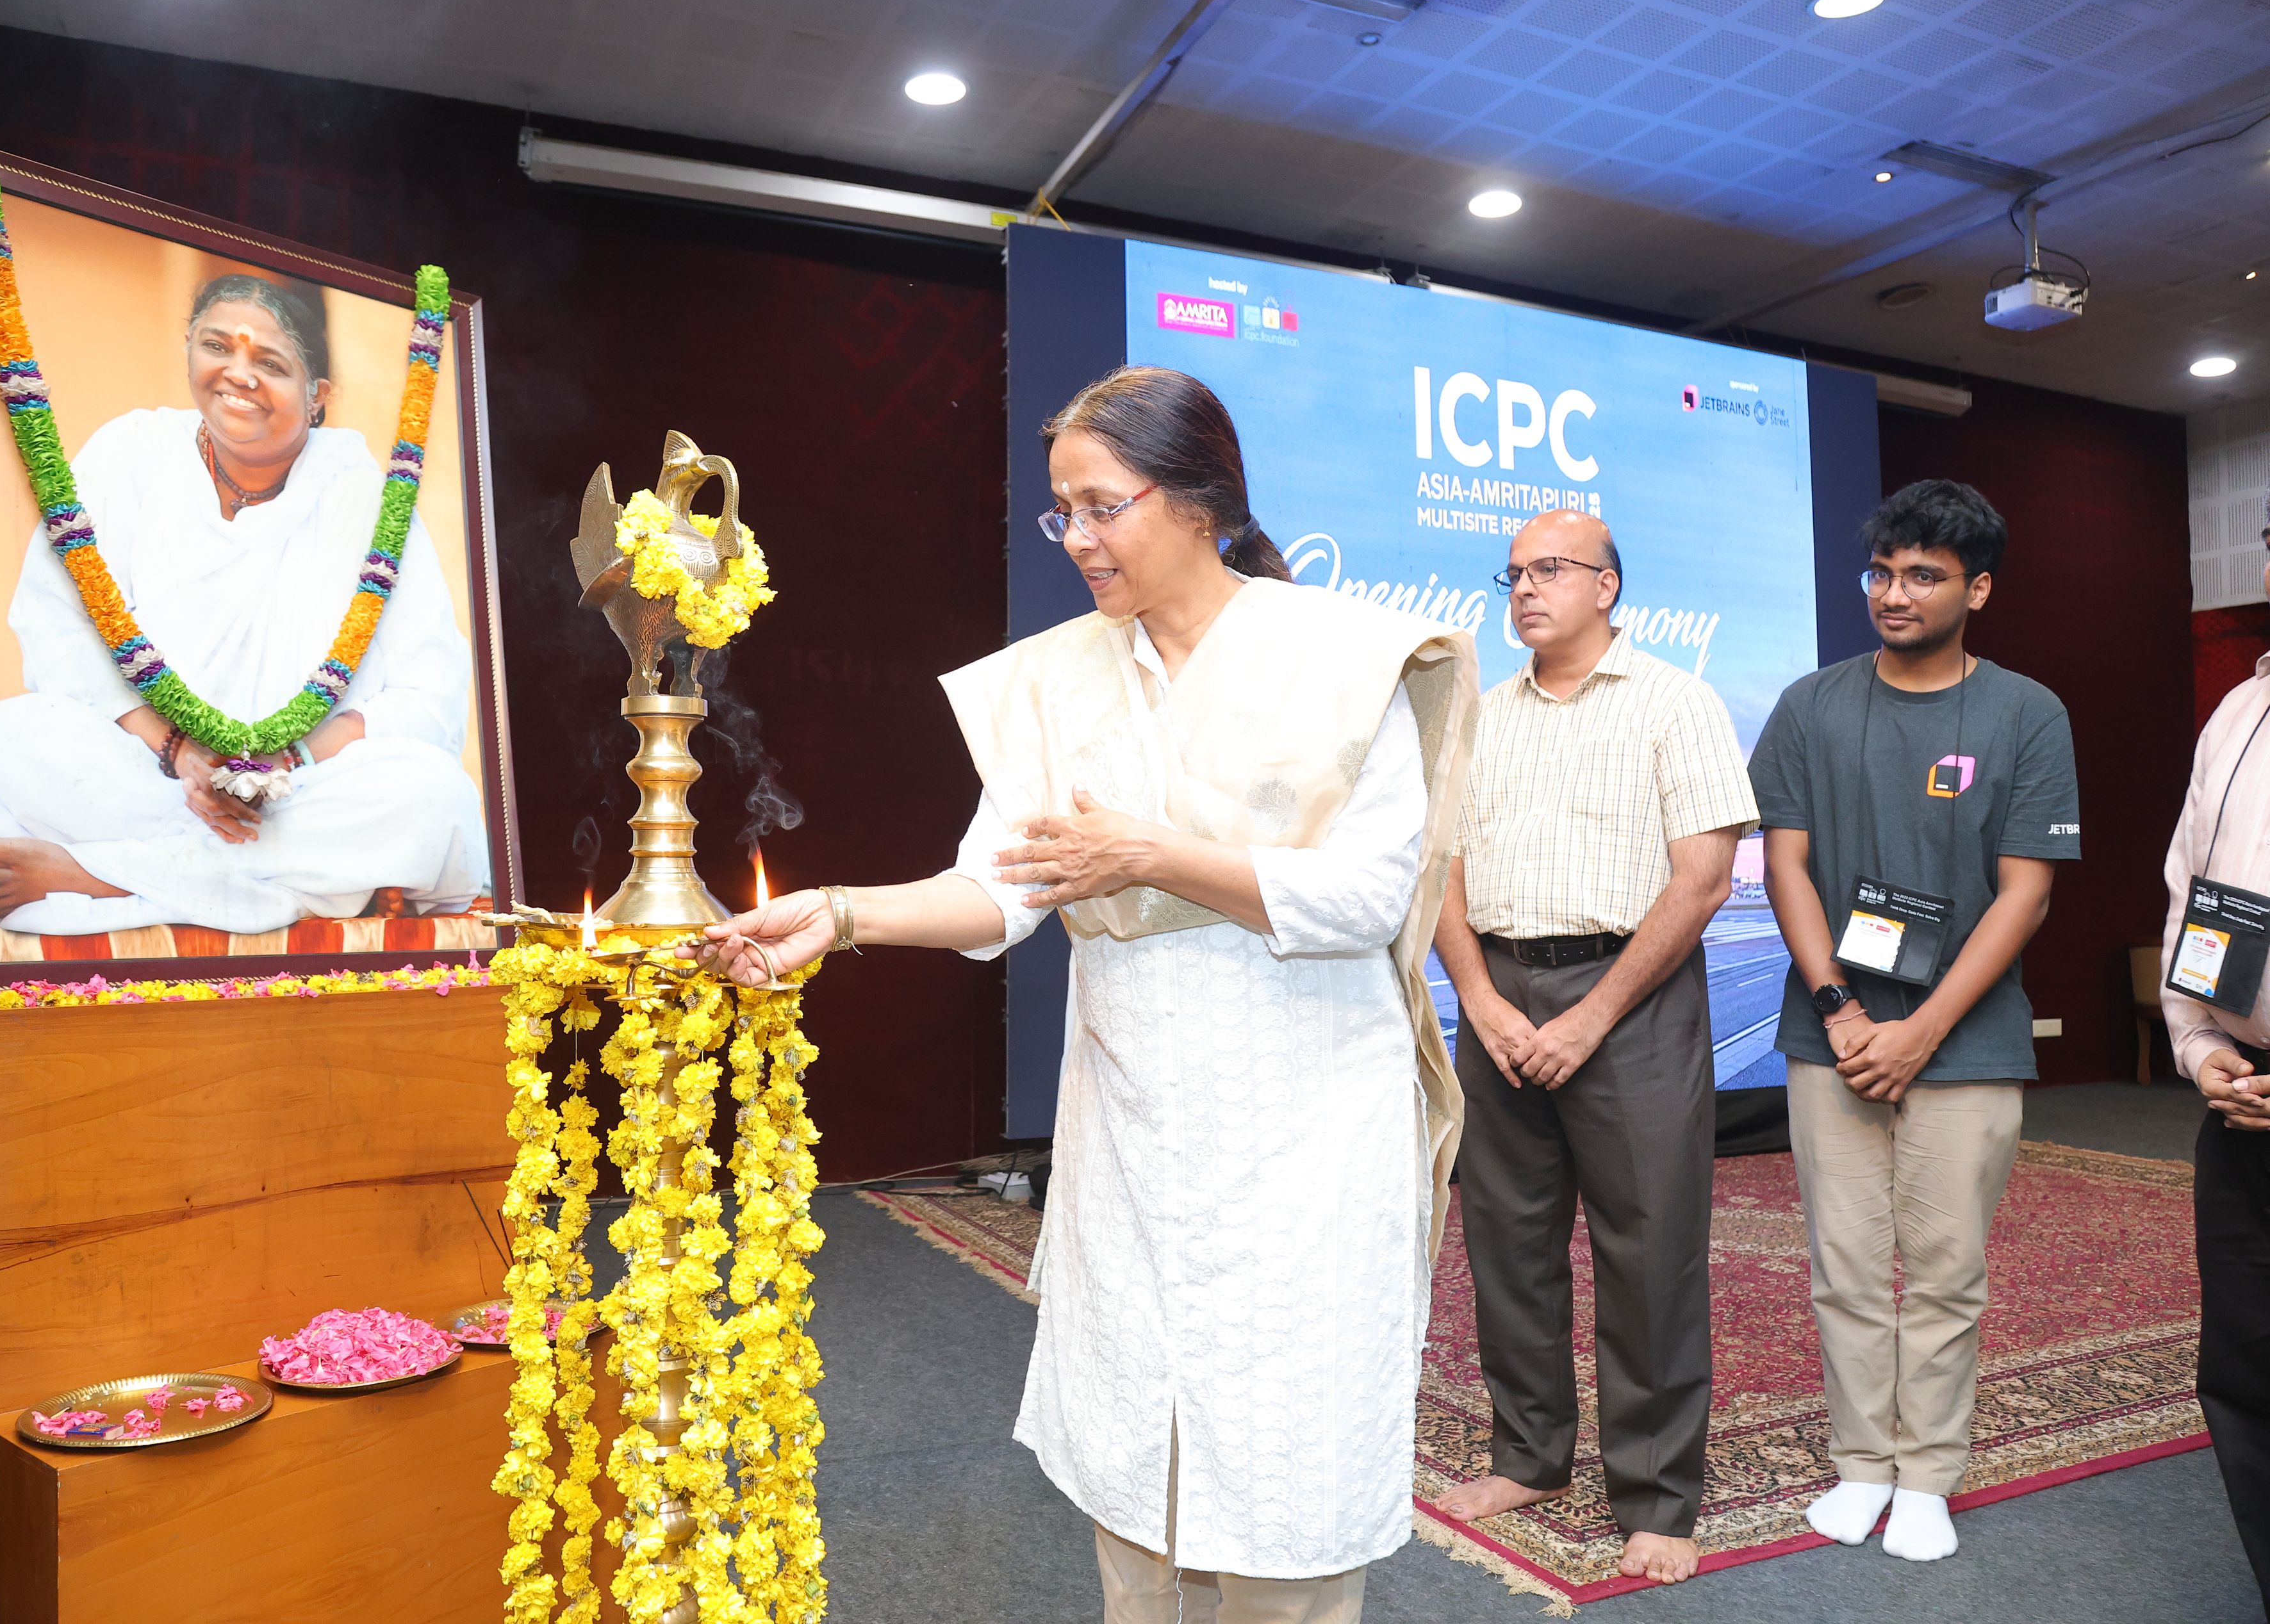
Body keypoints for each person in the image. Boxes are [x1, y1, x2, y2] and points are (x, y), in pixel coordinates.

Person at [693, 365, 1477, 1623]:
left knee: (1285, 1479)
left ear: (1199, 500)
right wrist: (837, 914)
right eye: (1062, 511)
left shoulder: (1340, 659)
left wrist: (1154, 854)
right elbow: (997, 888)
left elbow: (1366, 901)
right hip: (1134, 1131)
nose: (1077, 540)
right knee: (1140, 1466)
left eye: (1101, 506)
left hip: (1306, 1137)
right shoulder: (1062, 681)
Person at [0, 272, 489, 935]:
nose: (238, 376)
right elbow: (58, 628)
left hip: (299, 794)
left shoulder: (369, 501)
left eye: (271, 362)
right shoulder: (129, 456)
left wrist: (279, 764)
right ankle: (234, 883)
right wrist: (181, 752)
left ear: (318, 396)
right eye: (216, 347)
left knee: (435, 800)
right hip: (143, 771)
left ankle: (98, 877)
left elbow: (427, 690)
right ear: (188, 351)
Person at [1748, 479, 2079, 1563]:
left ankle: (1928, 1474)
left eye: (1925, 574)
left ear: (1977, 588)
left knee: (1942, 1271)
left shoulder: (2027, 712)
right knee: (1845, 1268)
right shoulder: (1811, 704)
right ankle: (1861, 1465)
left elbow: (2024, 893)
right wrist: (1842, 1008)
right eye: (1882, 571)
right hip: (1829, 1036)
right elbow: (1784, 864)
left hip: (1968, 1041)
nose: (1895, 592)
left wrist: (1924, 1028)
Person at [1430, 509, 1755, 1587]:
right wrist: (1478, 996)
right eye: (1512, 573)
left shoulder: (1678, 702)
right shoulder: (1478, 717)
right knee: (1507, 1247)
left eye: (1551, 570)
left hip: (1635, 998)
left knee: (1650, 1252)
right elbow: (1442, 871)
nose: (1524, 589)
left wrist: (1591, 1015)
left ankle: (1659, 1498)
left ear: (1608, 587)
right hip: (1501, 995)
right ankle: (1530, 1457)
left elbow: (1702, 878)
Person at [2159, 515, 2270, 1616]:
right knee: (2244, 1370)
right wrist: (2200, 1048)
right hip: (2239, 1098)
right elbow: (2196, 899)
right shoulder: (2240, 711)